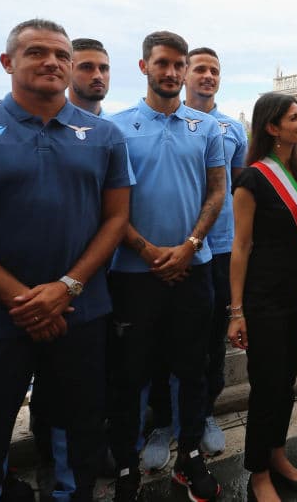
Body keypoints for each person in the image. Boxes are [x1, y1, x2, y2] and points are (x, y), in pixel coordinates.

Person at [0, 18, 132, 501]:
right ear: (6, 62)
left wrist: (65, 289)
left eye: (62, 55)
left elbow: (116, 221)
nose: (52, 62)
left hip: (79, 312)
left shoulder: (104, 136)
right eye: (37, 52)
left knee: (74, 438)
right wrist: (26, 300)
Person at [107, 31, 226, 502]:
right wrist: (147, 250)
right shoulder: (116, 129)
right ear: (144, 67)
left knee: (193, 368)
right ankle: (124, 467)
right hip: (134, 275)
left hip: (192, 269)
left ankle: (189, 458)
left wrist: (190, 244)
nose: (172, 72)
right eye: (163, 63)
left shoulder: (206, 127)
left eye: (179, 64)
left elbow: (216, 190)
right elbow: (108, 203)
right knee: (129, 373)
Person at [227, 92, 297, 502]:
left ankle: (277, 454)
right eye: (294, 117)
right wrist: (236, 311)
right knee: (266, 387)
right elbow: (240, 247)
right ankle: (258, 472)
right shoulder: (251, 179)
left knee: (287, 384)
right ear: (272, 127)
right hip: (263, 301)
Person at [67, 38, 110, 115]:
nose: (98, 76)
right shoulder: (46, 124)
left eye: (103, 68)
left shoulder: (118, 126)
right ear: (67, 71)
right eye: (87, 67)